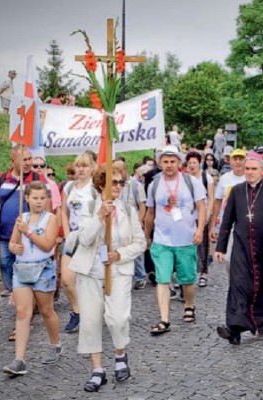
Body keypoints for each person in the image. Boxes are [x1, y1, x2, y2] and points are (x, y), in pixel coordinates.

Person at [70, 165, 146, 392]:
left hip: (118, 271)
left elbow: (140, 242)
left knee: (118, 317)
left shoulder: (129, 211)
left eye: (121, 182)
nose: (118, 186)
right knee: (91, 320)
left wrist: (119, 254)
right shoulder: (89, 207)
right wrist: (100, 217)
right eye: (113, 182)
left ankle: (120, 355)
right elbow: (84, 239)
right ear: (101, 183)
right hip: (91, 272)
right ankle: (97, 370)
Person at [215, 152, 263, 345]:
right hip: (242, 247)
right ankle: (234, 329)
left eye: (253, 169)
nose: (249, 172)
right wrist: (220, 247)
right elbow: (226, 221)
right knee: (239, 285)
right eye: (247, 169)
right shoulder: (237, 191)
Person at [144, 145, 207, 335]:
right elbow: (150, 212)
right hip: (162, 240)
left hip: (186, 238)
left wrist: (200, 230)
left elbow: (201, 207)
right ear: (159, 163)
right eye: (165, 161)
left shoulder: (191, 182)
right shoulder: (154, 184)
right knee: (163, 279)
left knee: (187, 279)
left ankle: (189, 305)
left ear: (179, 163)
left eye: (172, 161)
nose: (169, 165)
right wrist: (147, 235)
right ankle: (164, 319)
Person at [2, 181, 60, 375]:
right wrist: (13, 247)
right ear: (27, 199)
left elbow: (47, 245)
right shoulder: (22, 217)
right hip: (22, 269)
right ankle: (19, 360)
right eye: (35, 198)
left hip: (43, 269)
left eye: (42, 198)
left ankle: (55, 344)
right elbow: (11, 243)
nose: (38, 202)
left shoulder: (50, 218)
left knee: (46, 311)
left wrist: (28, 231)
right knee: (22, 312)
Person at [0, 146, 50, 306]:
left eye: (30, 159)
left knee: (27, 266)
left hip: (28, 234)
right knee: (5, 263)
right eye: (24, 159)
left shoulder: (38, 178)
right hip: (5, 233)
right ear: (13, 161)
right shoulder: (2, 179)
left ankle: (28, 299)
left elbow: (47, 205)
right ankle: (15, 292)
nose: (29, 163)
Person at [60, 153, 97, 333]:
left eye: (85, 165)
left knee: (91, 279)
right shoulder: (69, 186)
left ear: (92, 168)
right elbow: (63, 212)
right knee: (67, 278)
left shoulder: (96, 187)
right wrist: (67, 234)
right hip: (73, 235)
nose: (81, 169)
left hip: (91, 236)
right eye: (78, 165)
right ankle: (77, 311)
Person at [114, 159, 148, 290]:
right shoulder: (113, 184)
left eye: (119, 168)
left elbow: (142, 204)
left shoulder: (135, 185)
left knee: (137, 249)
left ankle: (140, 276)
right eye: (115, 169)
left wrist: (139, 221)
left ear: (126, 168)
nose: (117, 171)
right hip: (119, 221)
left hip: (132, 220)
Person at [209, 149, 247, 258]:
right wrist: (213, 226)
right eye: (235, 159)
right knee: (228, 258)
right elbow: (217, 202)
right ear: (230, 161)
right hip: (227, 224)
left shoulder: (249, 177)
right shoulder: (224, 178)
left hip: (245, 224)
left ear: (245, 161)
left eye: (241, 159)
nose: (238, 162)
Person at [186, 151, 214, 287]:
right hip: (188, 216)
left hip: (201, 215)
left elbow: (211, 197)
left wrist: (208, 214)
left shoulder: (206, 177)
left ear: (199, 163)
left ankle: (203, 273)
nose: (192, 165)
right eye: (189, 163)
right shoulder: (184, 178)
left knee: (203, 245)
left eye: (194, 163)